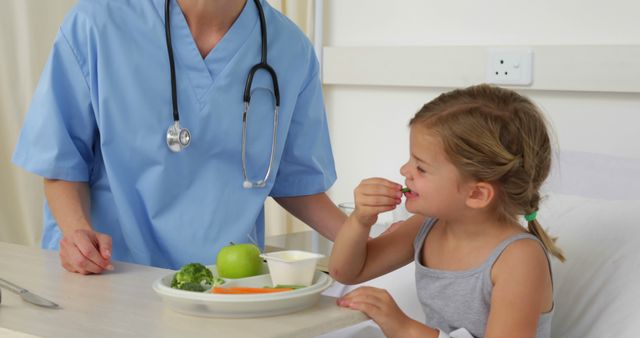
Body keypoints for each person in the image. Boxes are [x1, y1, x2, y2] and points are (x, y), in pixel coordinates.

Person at [12, 0, 346, 274]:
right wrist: (75, 232)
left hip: (223, 287)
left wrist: (360, 237)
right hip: (106, 277)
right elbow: (61, 160)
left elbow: (296, 183)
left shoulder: (291, 50)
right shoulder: (97, 23)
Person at [329, 84, 565, 338]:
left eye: (421, 168)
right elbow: (347, 272)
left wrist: (404, 328)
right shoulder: (428, 225)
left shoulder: (518, 258)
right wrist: (360, 220)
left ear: (476, 194)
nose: (404, 171)